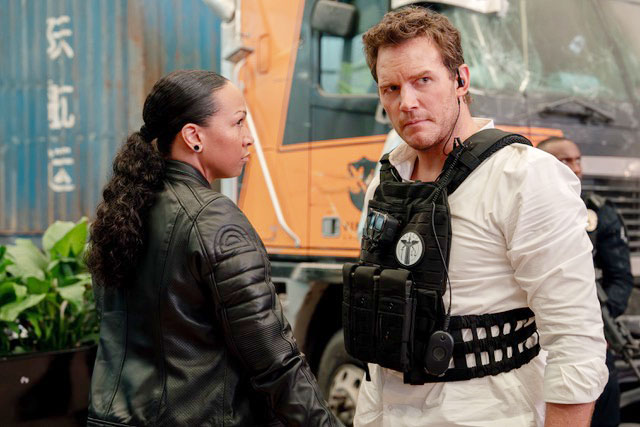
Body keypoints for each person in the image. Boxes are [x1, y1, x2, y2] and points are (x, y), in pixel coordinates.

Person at [350, 7, 608, 426]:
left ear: (461, 80)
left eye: (423, 80)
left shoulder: (524, 176)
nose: (407, 103)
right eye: (391, 88)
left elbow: (575, 340)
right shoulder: (385, 180)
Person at [85, 70, 339, 427]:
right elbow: (273, 358)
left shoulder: (124, 211)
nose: (249, 138)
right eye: (238, 123)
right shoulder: (213, 219)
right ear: (194, 137)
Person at [538, 136, 634, 427]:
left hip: (590, 335)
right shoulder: (524, 210)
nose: (576, 168)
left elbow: (620, 278)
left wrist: (596, 325)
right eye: (565, 161)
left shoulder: (598, 212)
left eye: (577, 160)